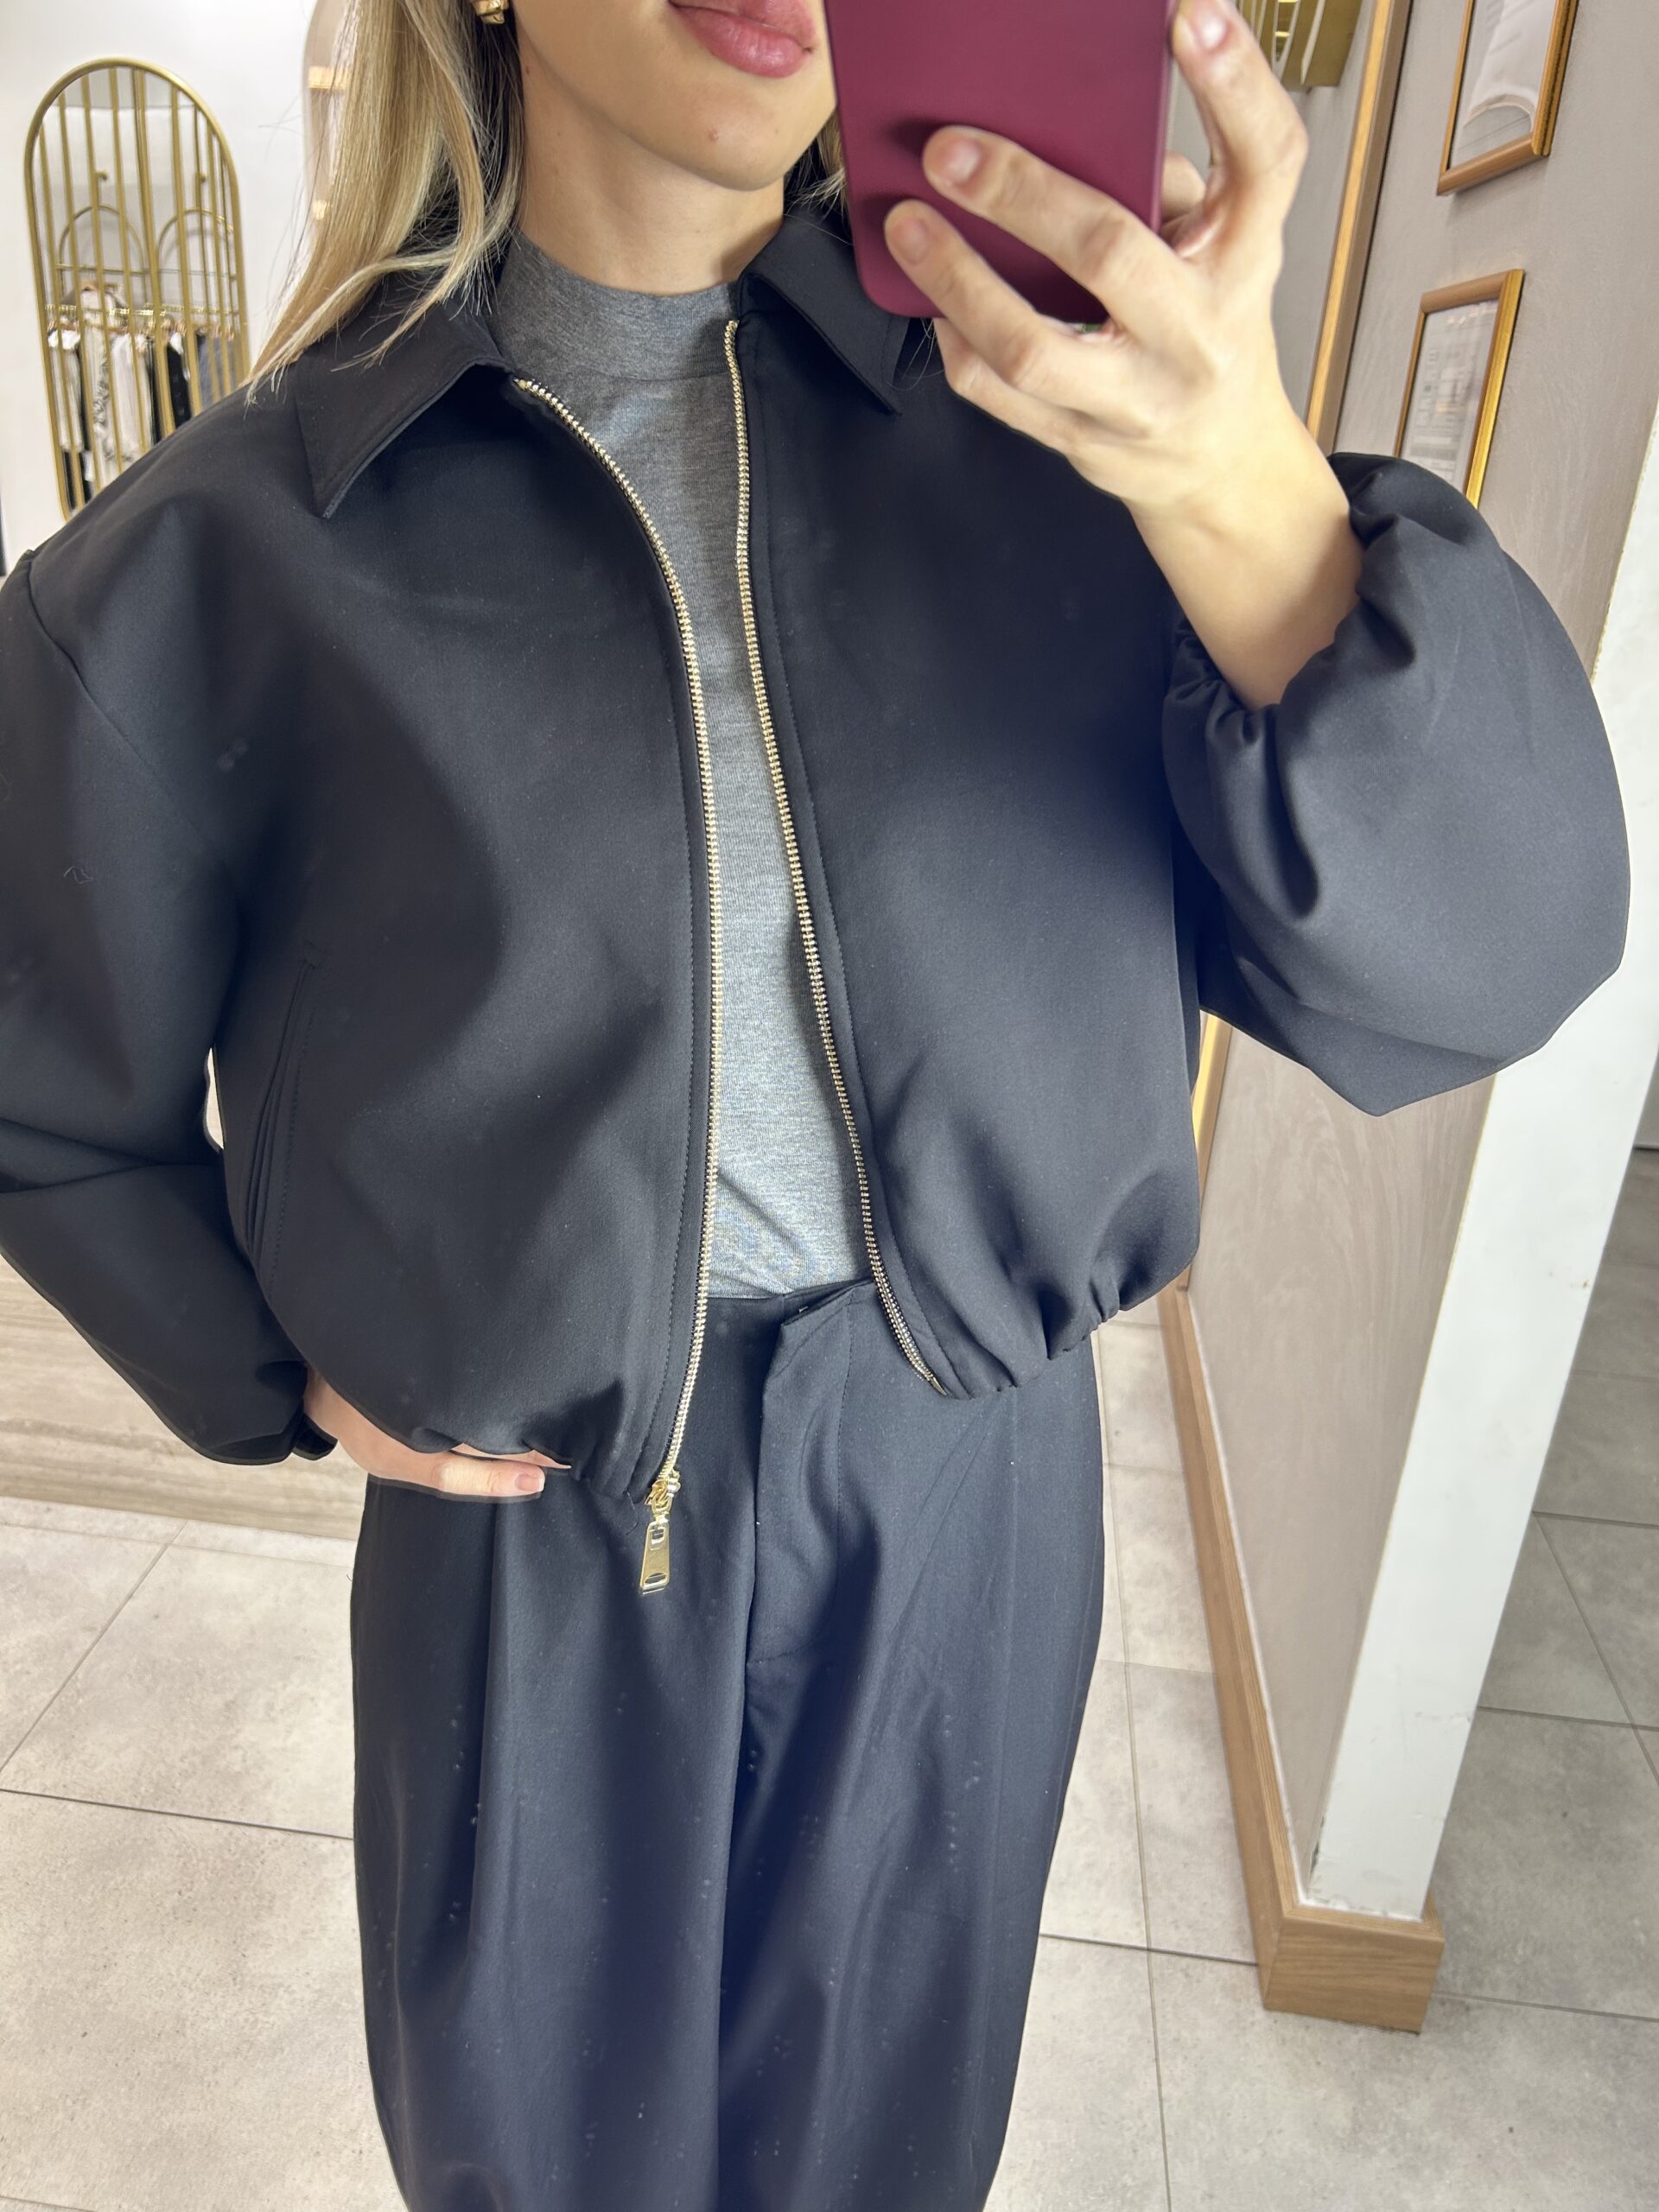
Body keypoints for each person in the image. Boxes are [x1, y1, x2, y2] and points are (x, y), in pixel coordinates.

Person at [0, 0, 1630, 2205]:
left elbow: (1510, 944)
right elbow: (34, 1077)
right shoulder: (235, 551)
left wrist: (1247, 481)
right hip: (536, 1568)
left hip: (967, 1511)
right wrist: (266, 1363)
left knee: (889, 2158)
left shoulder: (1075, 450)